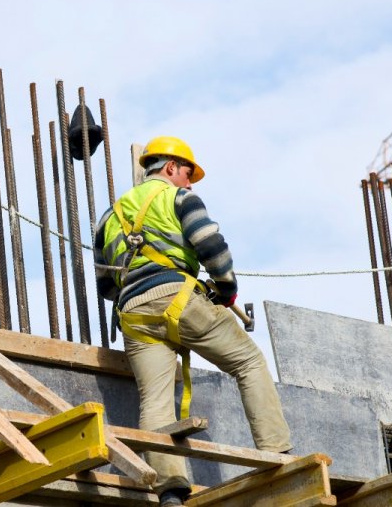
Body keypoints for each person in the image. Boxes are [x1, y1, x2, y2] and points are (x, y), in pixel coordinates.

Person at [93, 136, 292, 506]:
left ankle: (170, 490)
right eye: (187, 173)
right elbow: (211, 245)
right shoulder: (179, 198)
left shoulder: (109, 216)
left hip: (133, 313)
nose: (189, 182)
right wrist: (226, 289)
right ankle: (278, 453)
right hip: (179, 299)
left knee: (154, 400)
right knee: (249, 362)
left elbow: (105, 284)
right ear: (169, 168)